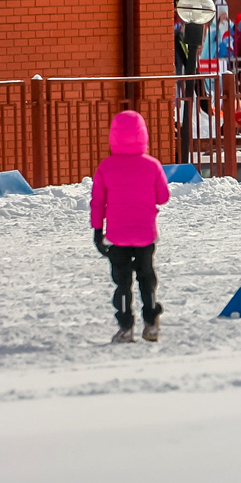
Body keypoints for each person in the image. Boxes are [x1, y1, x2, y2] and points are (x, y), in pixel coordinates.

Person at [91, 110, 171, 343]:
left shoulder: (106, 167)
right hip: (145, 233)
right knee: (147, 277)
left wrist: (98, 231)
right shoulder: (152, 165)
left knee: (123, 282)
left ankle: (126, 326)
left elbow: (97, 202)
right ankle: (151, 320)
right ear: (143, 134)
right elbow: (163, 196)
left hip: (117, 236)